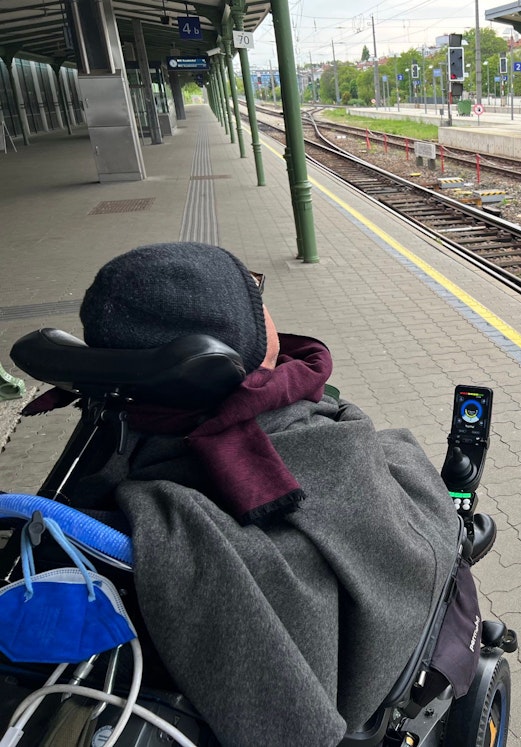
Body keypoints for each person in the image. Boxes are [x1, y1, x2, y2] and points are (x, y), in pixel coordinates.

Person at [66, 242, 478, 746]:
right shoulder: (328, 444)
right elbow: (415, 547)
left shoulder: (110, 452)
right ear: (229, 351)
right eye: (254, 295)